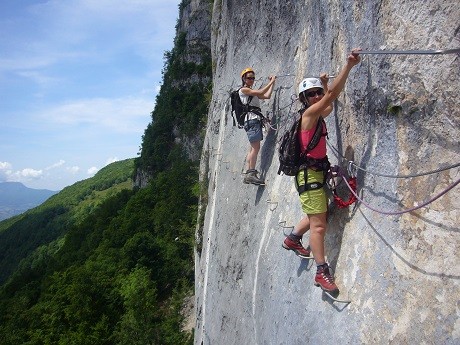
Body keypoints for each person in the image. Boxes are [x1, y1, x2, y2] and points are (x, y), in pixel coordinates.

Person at [282, 49, 361, 294]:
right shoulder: (309, 114)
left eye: (317, 93)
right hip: (309, 177)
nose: (316, 96)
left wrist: (325, 85)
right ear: (303, 100)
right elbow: (331, 98)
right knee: (319, 225)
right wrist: (348, 65)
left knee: (317, 213)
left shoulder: (315, 114)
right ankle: (321, 271)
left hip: (314, 174)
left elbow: (329, 103)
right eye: (310, 94)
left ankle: (292, 239)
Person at [239, 68, 276, 185]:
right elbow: (260, 92)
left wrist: (273, 83)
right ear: (244, 78)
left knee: (252, 148)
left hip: (253, 121)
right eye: (249, 78)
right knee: (255, 148)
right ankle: (251, 173)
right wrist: (271, 81)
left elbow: (267, 96)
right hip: (252, 121)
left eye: (253, 78)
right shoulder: (243, 90)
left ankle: (249, 173)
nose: (252, 80)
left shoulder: (250, 92)